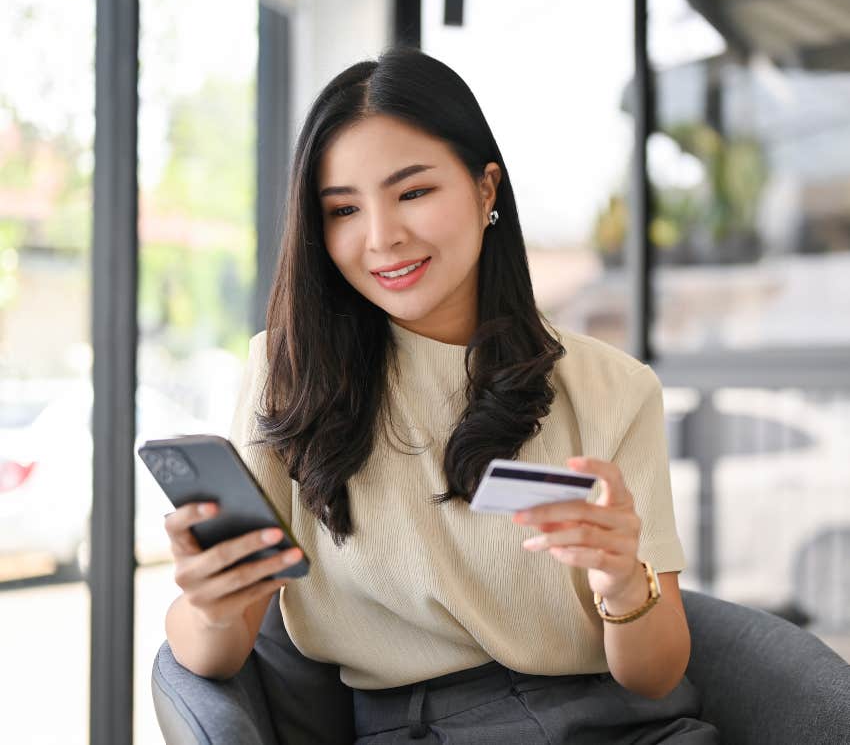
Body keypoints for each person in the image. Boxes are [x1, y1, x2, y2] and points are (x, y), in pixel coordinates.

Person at [163, 45, 720, 743]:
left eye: (414, 192)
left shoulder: (615, 388)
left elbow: (657, 674)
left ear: (487, 190)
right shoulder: (292, 371)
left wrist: (623, 585)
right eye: (342, 209)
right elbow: (214, 651)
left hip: (623, 725)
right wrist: (211, 604)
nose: (382, 238)